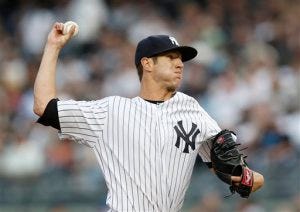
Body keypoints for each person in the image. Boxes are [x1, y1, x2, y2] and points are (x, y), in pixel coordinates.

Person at [33, 22, 264, 211]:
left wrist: (246, 179)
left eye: (180, 59)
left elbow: (237, 173)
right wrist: (53, 47)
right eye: (171, 57)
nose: (179, 64)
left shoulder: (192, 109)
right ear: (147, 64)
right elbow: (44, 106)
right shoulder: (111, 111)